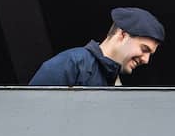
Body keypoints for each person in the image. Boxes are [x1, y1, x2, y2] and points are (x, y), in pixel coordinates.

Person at [29, 8, 164, 86]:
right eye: (144, 49)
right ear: (122, 35)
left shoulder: (116, 83)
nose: (146, 60)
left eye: (150, 54)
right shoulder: (73, 63)